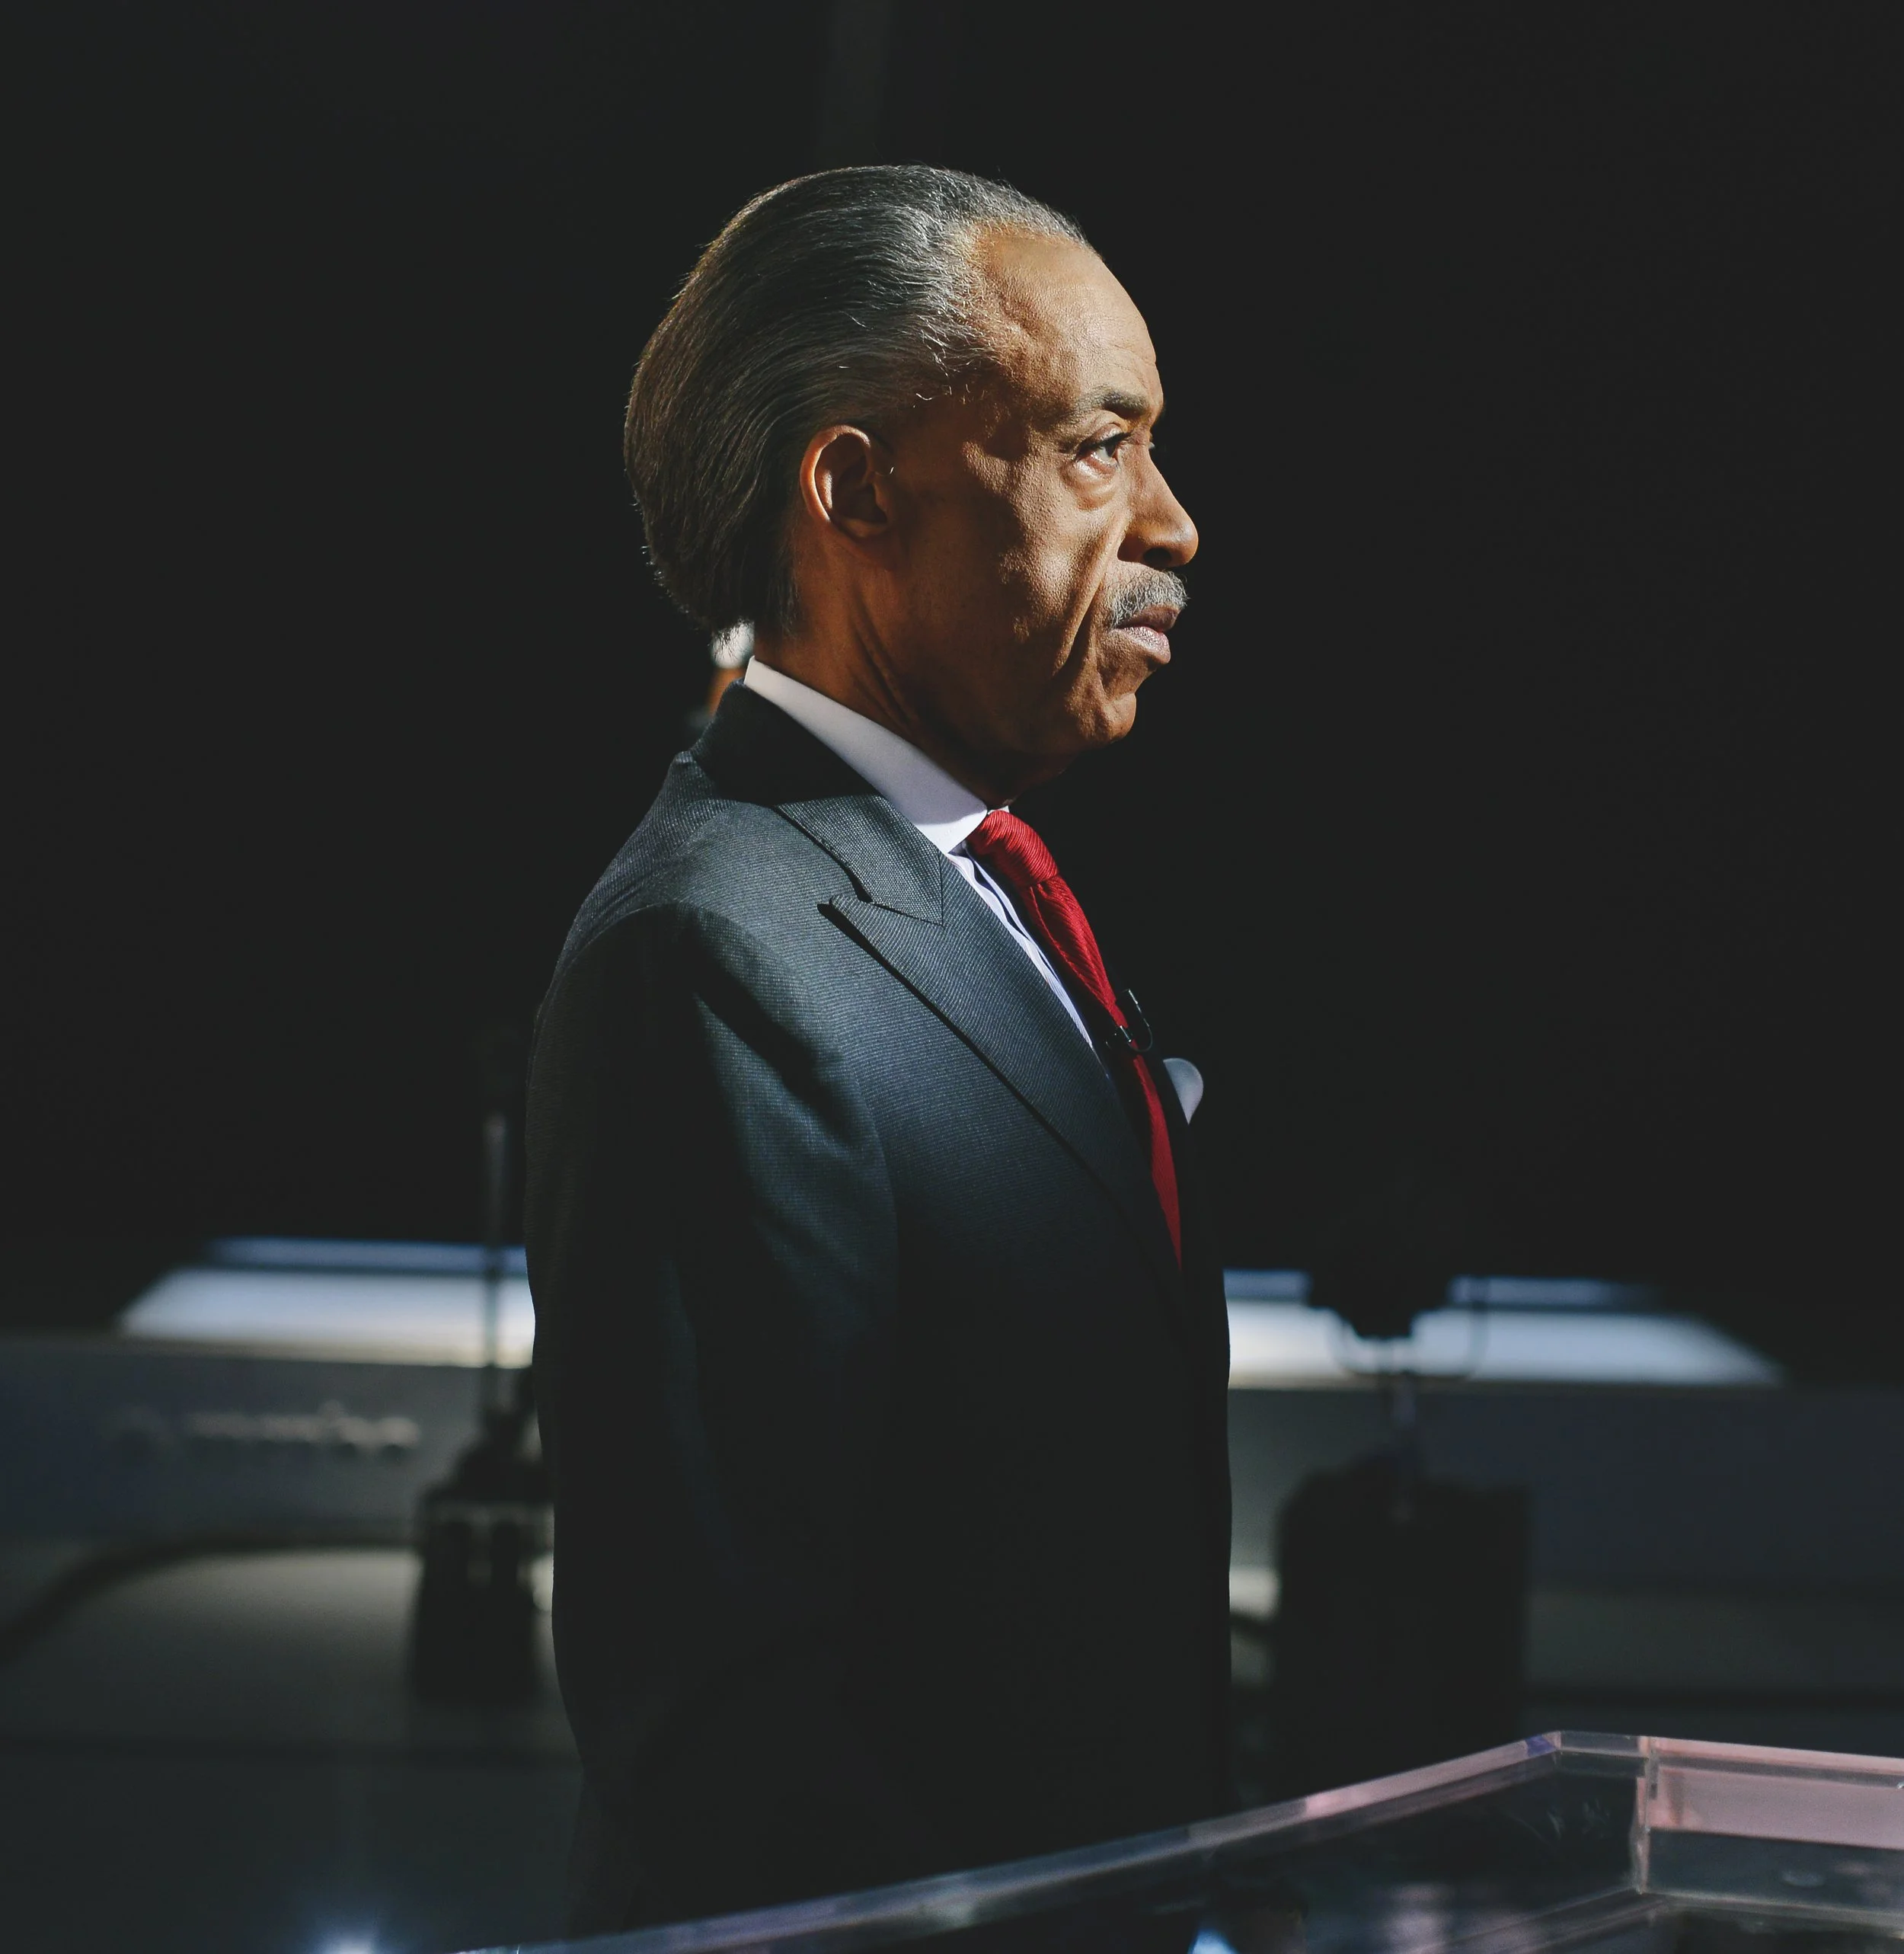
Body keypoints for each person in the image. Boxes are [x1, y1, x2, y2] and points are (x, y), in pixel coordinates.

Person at [526, 164, 1228, 1936]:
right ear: (853, 489)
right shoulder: (716, 954)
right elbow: (722, 1729)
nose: (1170, 525)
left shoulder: (961, 883)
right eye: (1094, 448)